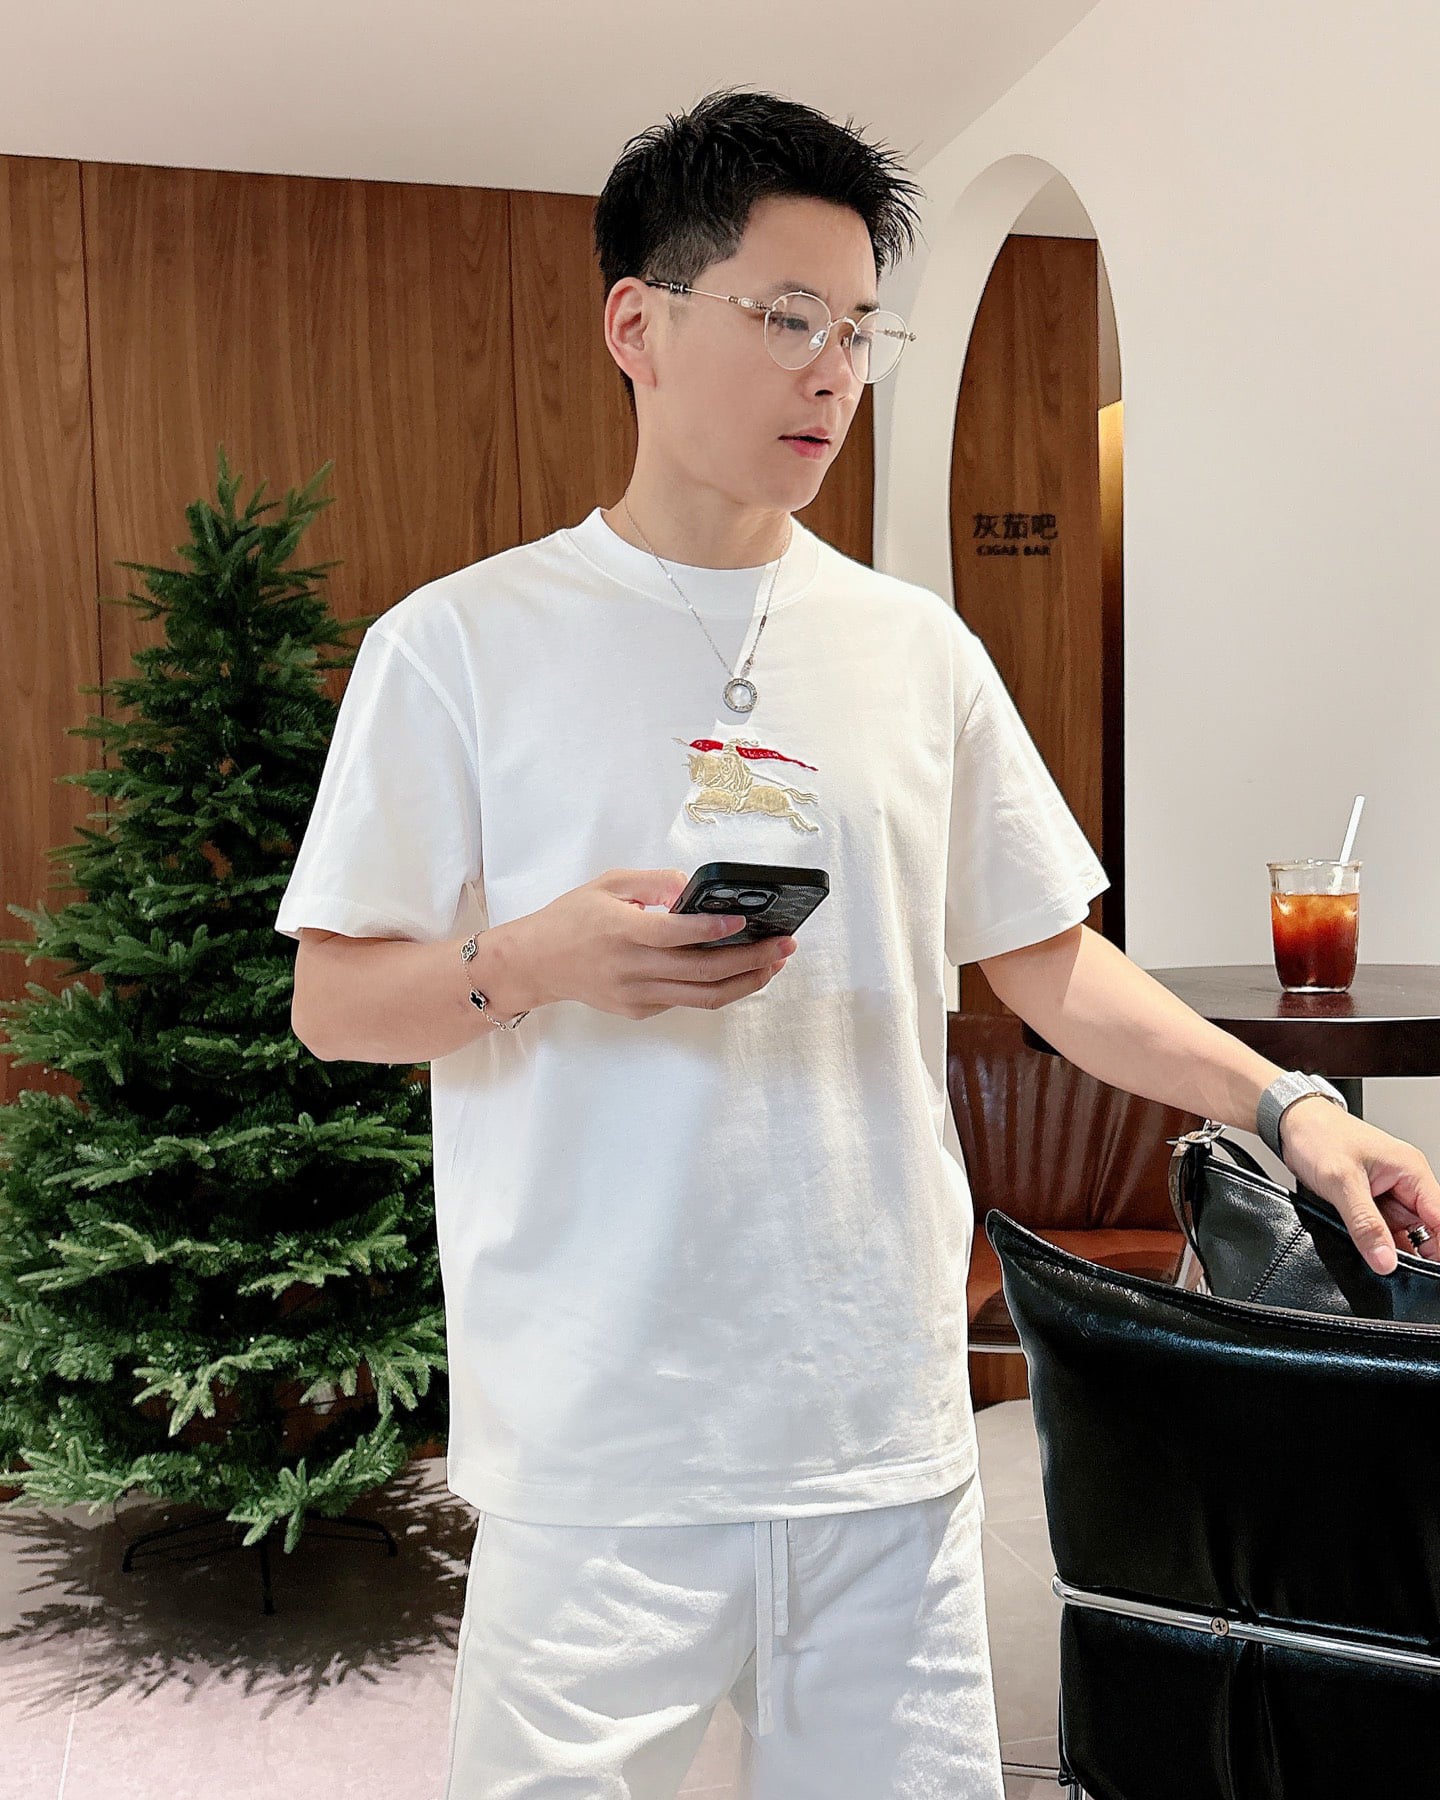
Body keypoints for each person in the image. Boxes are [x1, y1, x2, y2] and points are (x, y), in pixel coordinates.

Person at [276, 86, 1440, 1800]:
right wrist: (536, 964)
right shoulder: (459, 646)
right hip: (599, 1452)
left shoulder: (916, 651)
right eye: (785, 318)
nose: (833, 372)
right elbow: (332, 1002)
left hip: (876, 1438)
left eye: (858, 330)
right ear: (637, 326)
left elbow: (1047, 962)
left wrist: (1290, 1107)